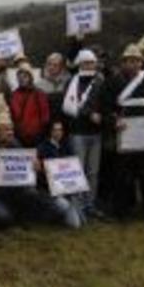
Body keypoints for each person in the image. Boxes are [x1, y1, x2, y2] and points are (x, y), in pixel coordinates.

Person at [0, 115, 82, 229]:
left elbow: (26, 163)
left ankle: (26, 216)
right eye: (6, 129)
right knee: (3, 218)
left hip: (16, 191)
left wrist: (35, 166)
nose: (10, 132)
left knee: (32, 193)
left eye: (11, 129)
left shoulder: (15, 144)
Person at [100, 44, 144, 220]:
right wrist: (113, 121)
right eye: (128, 61)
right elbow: (105, 109)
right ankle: (122, 210)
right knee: (122, 175)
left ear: (141, 63)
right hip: (124, 136)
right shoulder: (112, 83)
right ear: (122, 62)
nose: (132, 64)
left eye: (136, 61)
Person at [61, 49, 105, 218]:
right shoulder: (71, 82)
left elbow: (105, 103)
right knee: (77, 171)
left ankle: (90, 204)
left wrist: (102, 115)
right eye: (86, 62)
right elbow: (68, 107)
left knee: (93, 172)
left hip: (96, 133)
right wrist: (89, 114)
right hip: (77, 132)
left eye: (91, 62)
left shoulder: (100, 82)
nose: (89, 65)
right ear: (80, 64)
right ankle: (77, 205)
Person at [10, 64, 50, 147]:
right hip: (19, 136)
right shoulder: (14, 94)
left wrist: (41, 133)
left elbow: (45, 116)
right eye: (19, 77)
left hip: (36, 136)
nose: (22, 79)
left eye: (25, 76)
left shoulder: (39, 93)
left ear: (30, 77)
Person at [36, 52, 71, 122]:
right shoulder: (38, 85)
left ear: (61, 67)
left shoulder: (68, 83)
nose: (51, 67)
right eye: (49, 64)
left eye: (55, 65)